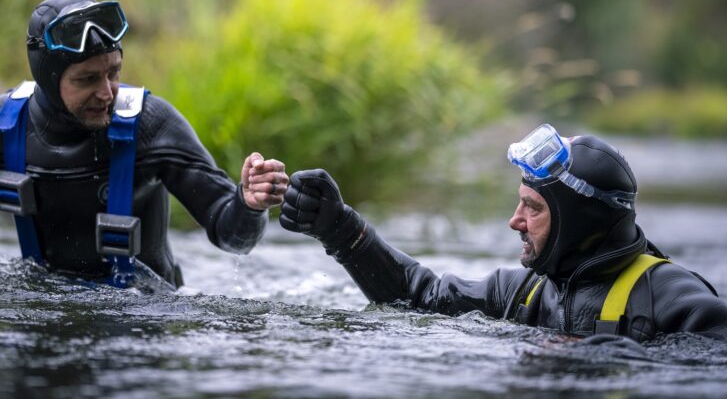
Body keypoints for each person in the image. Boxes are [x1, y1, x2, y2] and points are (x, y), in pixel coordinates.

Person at [0, 0, 288, 287]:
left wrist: (250, 205)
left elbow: (231, 235)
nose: (107, 92)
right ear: (48, 78)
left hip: (142, 321)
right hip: (40, 313)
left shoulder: (152, 126)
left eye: (114, 73)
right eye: (86, 79)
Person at [279, 124, 727, 342]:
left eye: (532, 208)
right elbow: (418, 296)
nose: (514, 221)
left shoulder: (672, 300)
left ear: (578, 221)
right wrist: (340, 230)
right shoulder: (524, 291)